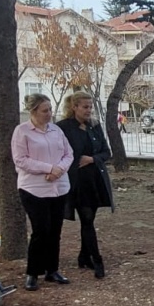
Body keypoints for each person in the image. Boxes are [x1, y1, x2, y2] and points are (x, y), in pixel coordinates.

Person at [12, 93, 73, 292]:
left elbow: (68, 154)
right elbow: (21, 160)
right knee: (40, 231)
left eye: (50, 110)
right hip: (34, 188)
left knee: (55, 231)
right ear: (33, 111)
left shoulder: (56, 130)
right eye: (44, 110)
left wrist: (59, 169)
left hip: (58, 187)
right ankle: (32, 272)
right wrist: (48, 168)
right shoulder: (22, 131)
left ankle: (52, 270)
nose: (49, 114)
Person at [57, 92, 114, 279]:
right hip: (76, 181)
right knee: (87, 219)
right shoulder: (63, 128)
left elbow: (107, 152)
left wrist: (92, 159)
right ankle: (97, 260)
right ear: (74, 107)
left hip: (95, 180)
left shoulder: (94, 126)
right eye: (85, 107)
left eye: (90, 107)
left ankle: (83, 256)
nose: (89, 110)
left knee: (88, 220)